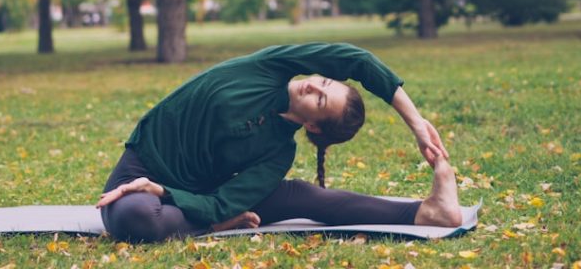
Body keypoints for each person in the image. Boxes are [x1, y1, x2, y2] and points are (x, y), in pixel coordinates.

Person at [96, 42, 462, 242]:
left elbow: (222, 200)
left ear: (314, 128)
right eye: (326, 83)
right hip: (143, 166)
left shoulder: (278, 153)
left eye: (321, 100)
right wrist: (415, 122)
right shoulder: (270, 66)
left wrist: (168, 194)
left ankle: (427, 212)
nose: (315, 85)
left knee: (301, 197)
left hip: (194, 195)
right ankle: (213, 227)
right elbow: (359, 60)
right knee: (132, 214)